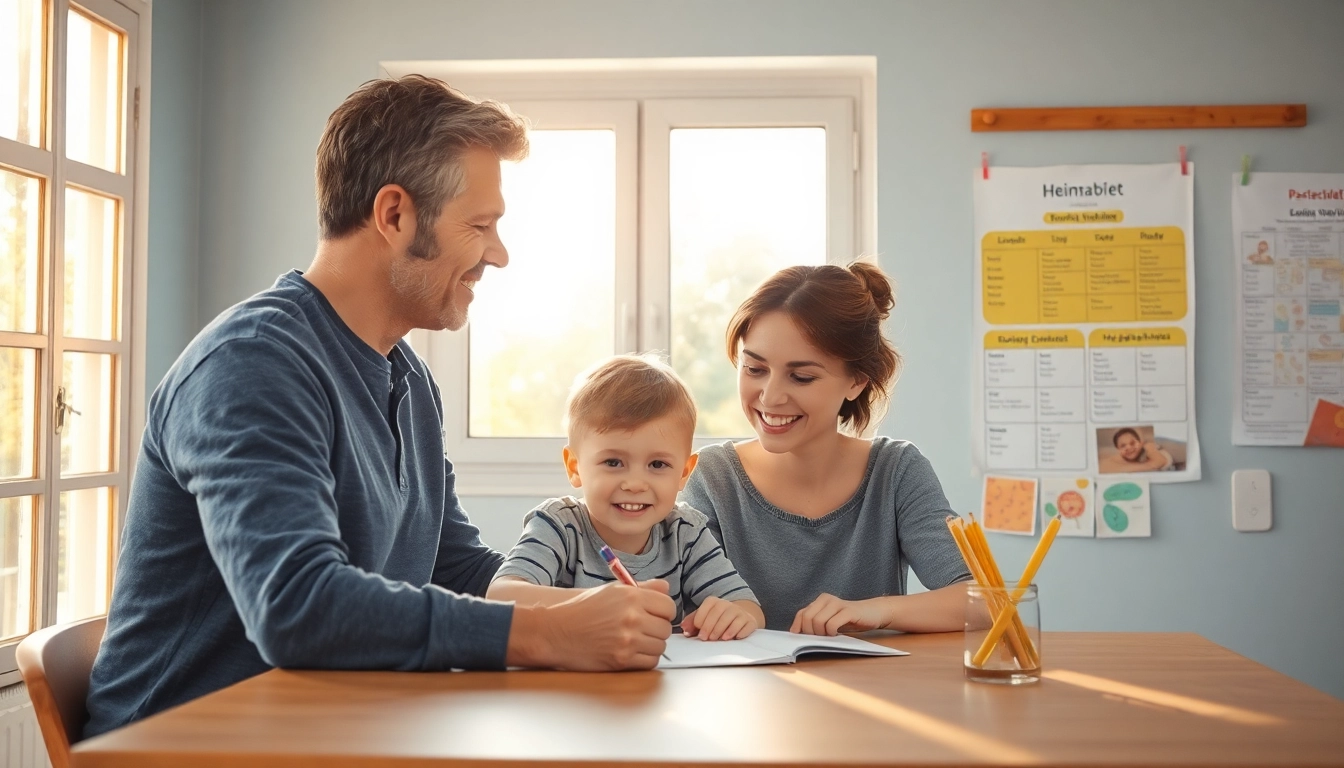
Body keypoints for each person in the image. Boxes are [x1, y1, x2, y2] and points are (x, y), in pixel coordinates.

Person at [83, 76, 676, 739]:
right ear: (395, 215)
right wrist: (548, 634)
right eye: (480, 226)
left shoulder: (409, 380)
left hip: (321, 731)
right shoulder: (252, 365)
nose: (499, 254)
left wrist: (599, 613)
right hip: (182, 746)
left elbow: (454, 568)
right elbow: (298, 608)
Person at [680, 262, 971, 636]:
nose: (770, 396)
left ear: (857, 382)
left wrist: (875, 611)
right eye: (754, 369)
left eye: (801, 377)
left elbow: (981, 601)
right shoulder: (711, 477)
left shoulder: (896, 471)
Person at [488, 355, 765, 641]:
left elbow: (748, 608)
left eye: (657, 464)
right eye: (613, 462)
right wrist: (594, 607)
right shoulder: (559, 526)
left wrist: (732, 615)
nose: (634, 484)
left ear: (684, 473)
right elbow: (500, 596)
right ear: (575, 467)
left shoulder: (685, 533)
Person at [1099, 427, 1174, 473]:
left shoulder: (1148, 448)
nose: (1128, 448)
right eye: (1123, 446)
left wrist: (1148, 447)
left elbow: (1161, 461)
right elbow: (1104, 467)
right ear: (1118, 450)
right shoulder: (1115, 460)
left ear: (1140, 443)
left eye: (1132, 443)